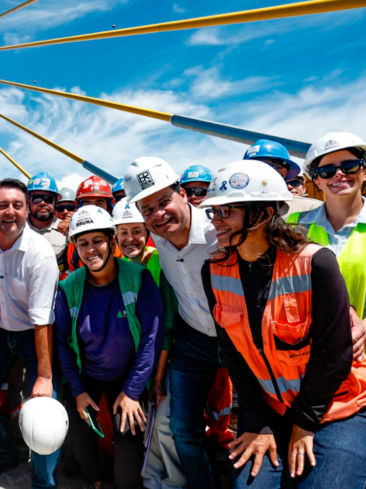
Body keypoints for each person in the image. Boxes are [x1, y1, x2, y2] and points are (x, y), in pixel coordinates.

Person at [200, 159, 366, 486]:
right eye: (213, 212)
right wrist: (257, 422)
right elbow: (232, 353)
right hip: (272, 408)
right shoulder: (214, 271)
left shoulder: (315, 263)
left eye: (227, 211)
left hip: (340, 406)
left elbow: (336, 353)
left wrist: (304, 423)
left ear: (263, 214)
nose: (216, 222)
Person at [288, 132, 366, 488]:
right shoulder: (296, 230)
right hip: (317, 374)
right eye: (326, 169)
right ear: (314, 179)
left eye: (349, 165)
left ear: (365, 171)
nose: (338, 175)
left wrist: (365, 328)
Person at [125, 156, 232, 488]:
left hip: (240, 341)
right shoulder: (157, 239)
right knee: (184, 432)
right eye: (147, 210)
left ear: (183, 194)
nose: (158, 214)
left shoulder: (221, 233)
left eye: (163, 201)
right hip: (194, 340)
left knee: (263, 423)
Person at [55, 205, 163, 488]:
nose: (91, 250)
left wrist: (132, 392)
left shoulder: (138, 278)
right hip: (88, 374)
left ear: (112, 242)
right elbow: (63, 344)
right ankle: (96, 480)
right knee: (78, 430)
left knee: (127, 435)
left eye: (98, 241)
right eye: (83, 243)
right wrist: (78, 392)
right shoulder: (69, 287)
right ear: (75, 248)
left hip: (128, 375)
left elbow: (152, 338)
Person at [0, 178, 61, 487]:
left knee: (45, 411)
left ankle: (42, 482)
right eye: (2, 205)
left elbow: (42, 322)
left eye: (17, 205)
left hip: (33, 334)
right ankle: (3, 456)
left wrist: (45, 377)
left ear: (26, 210)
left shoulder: (40, 255)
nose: (10, 212)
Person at [112, 199, 185, 488]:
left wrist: (157, 379)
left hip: (163, 359)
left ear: (147, 233)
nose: (131, 239)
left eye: (137, 231)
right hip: (134, 362)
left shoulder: (159, 263)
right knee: (144, 427)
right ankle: (151, 478)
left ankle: (173, 481)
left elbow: (166, 327)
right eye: (124, 232)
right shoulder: (115, 267)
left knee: (165, 424)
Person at [243, 139, 320, 216]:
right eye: (250, 169)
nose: (254, 174)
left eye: (263, 168)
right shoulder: (237, 210)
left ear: (283, 173)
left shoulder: (313, 209)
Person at [27, 172, 67, 262]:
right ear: (28, 202)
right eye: (36, 198)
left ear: (55, 202)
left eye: (48, 199)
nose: (42, 203)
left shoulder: (67, 230)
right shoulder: (17, 229)